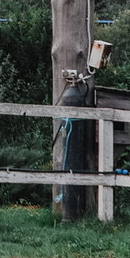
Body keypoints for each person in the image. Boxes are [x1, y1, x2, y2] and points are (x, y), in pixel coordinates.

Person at [56, 67, 95, 221]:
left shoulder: (75, 96)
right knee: (69, 160)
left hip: (75, 133)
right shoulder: (73, 96)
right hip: (69, 128)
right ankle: (70, 214)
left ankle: (75, 213)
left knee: (76, 161)